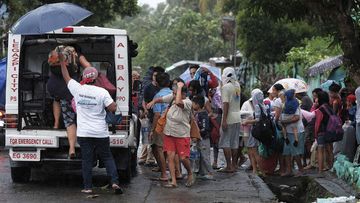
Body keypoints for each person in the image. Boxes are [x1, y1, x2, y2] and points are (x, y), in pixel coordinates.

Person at [58, 53, 122, 194]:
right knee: (107, 157)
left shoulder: (77, 89)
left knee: (87, 160)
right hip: (100, 132)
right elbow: (113, 108)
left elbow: (66, 77)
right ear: (95, 78)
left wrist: (62, 62)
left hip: (84, 133)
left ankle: (87, 187)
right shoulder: (102, 92)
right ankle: (115, 183)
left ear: (83, 78)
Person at [47, 45, 91, 159]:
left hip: (54, 86)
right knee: (71, 120)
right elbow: (89, 67)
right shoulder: (77, 55)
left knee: (57, 100)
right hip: (69, 89)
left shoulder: (56, 53)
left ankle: (56, 124)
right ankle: (72, 148)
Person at [163, 81, 194, 188]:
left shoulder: (187, 102)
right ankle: (173, 181)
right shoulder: (173, 100)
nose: (174, 95)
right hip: (169, 133)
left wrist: (179, 88)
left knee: (183, 158)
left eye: (176, 93)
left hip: (182, 135)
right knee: (170, 157)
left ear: (183, 94)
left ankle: (190, 172)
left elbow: (178, 103)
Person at [150, 72, 172, 181]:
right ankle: (173, 172)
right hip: (173, 124)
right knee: (170, 148)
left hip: (162, 125)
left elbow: (157, 115)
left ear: (157, 83)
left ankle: (164, 173)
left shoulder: (158, 96)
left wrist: (152, 130)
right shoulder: (173, 93)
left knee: (158, 148)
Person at [218, 67, 241, 173]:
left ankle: (228, 166)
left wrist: (224, 120)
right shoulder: (237, 85)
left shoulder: (226, 87)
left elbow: (225, 104)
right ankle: (234, 165)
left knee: (225, 142)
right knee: (235, 142)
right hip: (237, 117)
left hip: (229, 117)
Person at [280, 89, 305, 176]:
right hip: (288, 132)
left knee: (296, 151)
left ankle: (300, 170)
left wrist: (285, 122)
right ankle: (289, 170)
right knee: (286, 151)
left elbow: (296, 118)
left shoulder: (295, 105)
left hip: (296, 131)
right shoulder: (286, 105)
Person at [192, 95, 214, 180]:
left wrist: (198, 134)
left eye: (193, 103)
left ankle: (210, 172)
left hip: (203, 139)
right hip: (199, 138)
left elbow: (205, 128)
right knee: (199, 156)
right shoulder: (197, 114)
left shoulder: (203, 115)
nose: (192, 105)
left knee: (205, 156)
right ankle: (201, 172)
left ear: (197, 104)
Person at [240, 89, 261, 174]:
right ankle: (254, 167)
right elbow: (241, 115)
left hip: (256, 130)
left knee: (254, 149)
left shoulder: (260, 104)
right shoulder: (246, 104)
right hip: (246, 129)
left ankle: (257, 168)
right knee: (250, 149)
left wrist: (249, 119)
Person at [313, 91, 334, 173]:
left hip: (321, 132)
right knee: (329, 150)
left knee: (320, 151)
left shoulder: (320, 109)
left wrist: (316, 133)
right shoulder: (329, 107)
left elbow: (318, 122)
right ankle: (331, 167)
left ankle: (320, 170)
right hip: (329, 131)